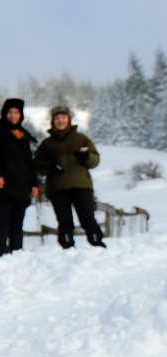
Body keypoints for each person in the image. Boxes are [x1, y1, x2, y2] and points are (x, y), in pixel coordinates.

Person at [36, 104, 105, 249]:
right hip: (57, 188)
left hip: (81, 185)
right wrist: (50, 166)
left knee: (87, 217)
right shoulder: (46, 144)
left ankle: (96, 242)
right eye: (57, 118)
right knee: (64, 220)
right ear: (52, 121)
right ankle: (67, 246)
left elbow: (95, 160)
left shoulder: (81, 139)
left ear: (69, 119)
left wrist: (86, 156)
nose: (60, 121)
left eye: (63, 117)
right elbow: (37, 165)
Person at [0, 98, 40, 256]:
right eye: (10, 112)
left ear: (21, 115)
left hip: (21, 183)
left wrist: (34, 184)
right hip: (3, 182)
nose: (13, 116)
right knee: (4, 217)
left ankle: (16, 249)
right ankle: (0, 248)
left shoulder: (23, 135)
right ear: (4, 113)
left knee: (18, 220)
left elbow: (29, 162)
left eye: (16, 112)